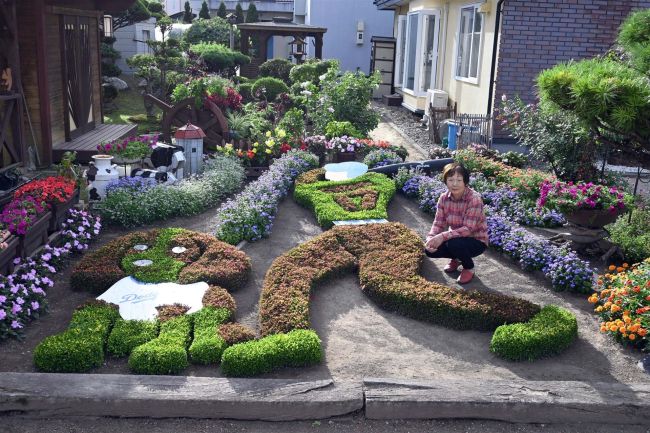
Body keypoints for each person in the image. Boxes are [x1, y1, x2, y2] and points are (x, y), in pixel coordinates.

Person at [424, 162, 488, 284]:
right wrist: (431, 239)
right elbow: (438, 222)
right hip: (454, 239)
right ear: (445, 181)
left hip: (476, 241)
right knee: (429, 250)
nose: (454, 184)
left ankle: (468, 267)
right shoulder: (443, 198)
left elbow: (468, 229)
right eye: (450, 179)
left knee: (454, 244)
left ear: (465, 181)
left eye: (459, 180)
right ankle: (456, 258)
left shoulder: (474, 199)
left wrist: (442, 236)